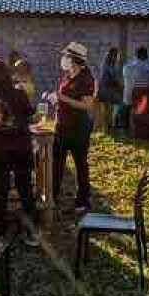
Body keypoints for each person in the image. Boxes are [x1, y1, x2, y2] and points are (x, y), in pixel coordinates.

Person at [0, 58, 39, 242]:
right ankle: (32, 232)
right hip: (21, 146)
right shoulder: (19, 93)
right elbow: (29, 116)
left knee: (0, 190)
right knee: (25, 188)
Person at [53, 41, 97, 212]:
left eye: (66, 56)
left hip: (78, 127)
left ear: (74, 59)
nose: (63, 59)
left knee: (80, 164)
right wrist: (56, 99)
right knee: (56, 164)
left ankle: (83, 201)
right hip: (62, 125)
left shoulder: (87, 79)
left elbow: (87, 106)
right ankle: (52, 197)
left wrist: (63, 99)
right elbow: (63, 96)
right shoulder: (67, 76)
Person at [122, 45, 149, 137]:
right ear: (145, 55)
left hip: (130, 96)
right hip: (145, 97)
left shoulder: (127, 67)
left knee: (134, 112)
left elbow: (127, 82)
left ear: (136, 55)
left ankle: (129, 131)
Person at [97, 46, 124, 132]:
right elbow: (114, 78)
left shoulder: (105, 64)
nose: (119, 57)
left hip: (104, 90)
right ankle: (109, 129)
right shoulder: (110, 66)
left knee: (107, 111)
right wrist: (121, 86)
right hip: (108, 91)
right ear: (114, 55)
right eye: (118, 55)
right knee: (109, 111)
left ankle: (107, 129)